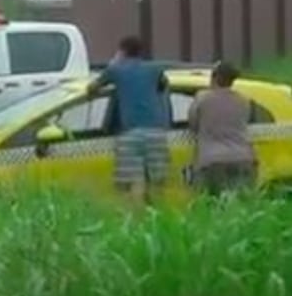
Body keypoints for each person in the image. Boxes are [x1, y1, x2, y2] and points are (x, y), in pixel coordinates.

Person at [87, 35, 170, 205]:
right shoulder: (154, 69)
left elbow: (91, 89)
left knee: (135, 181)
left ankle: (137, 222)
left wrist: (114, 64)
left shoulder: (116, 71)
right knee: (157, 181)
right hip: (156, 131)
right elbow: (164, 86)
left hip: (130, 133)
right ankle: (160, 219)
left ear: (122, 51)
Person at [187, 61, 257, 196]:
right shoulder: (243, 100)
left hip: (212, 160)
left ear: (214, 77)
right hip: (243, 157)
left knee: (213, 205)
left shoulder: (203, 98)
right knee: (240, 206)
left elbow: (193, 123)